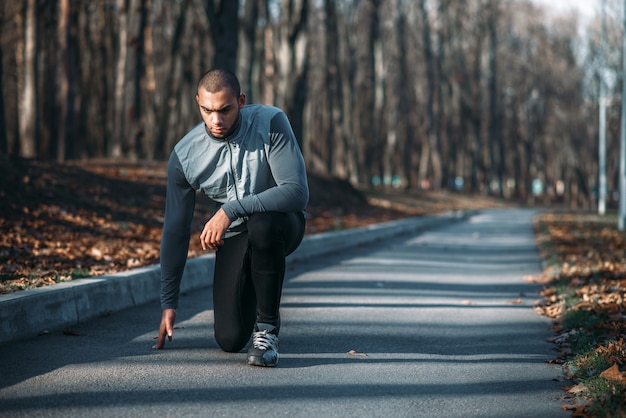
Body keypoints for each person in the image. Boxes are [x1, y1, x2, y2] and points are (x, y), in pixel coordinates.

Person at [153, 69, 308, 367]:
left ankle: (266, 330)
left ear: (241, 101)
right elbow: (175, 229)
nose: (216, 120)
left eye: (225, 109)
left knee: (262, 224)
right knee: (230, 339)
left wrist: (230, 209)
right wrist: (168, 302)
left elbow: (296, 192)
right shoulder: (185, 157)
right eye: (207, 110)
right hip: (237, 235)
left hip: (281, 225)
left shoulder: (270, 122)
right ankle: (252, 307)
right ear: (198, 102)